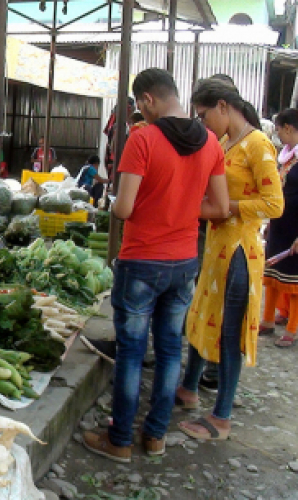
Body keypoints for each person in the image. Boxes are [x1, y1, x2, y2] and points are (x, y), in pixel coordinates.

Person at [81, 68, 230, 462]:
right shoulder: (212, 142)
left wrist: (123, 202)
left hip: (142, 260)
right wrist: (181, 208)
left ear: (147, 100)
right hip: (184, 262)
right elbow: (220, 207)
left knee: (131, 352)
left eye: (139, 106)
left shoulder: (143, 138)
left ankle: (120, 441)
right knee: (168, 350)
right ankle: (156, 435)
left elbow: (125, 208)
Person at [174, 79, 284, 443]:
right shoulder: (224, 143)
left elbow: (274, 204)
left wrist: (228, 208)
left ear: (223, 106)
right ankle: (189, 388)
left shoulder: (258, 145)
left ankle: (221, 416)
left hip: (240, 251)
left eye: (205, 115)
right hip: (216, 248)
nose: (203, 123)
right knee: (202, 317)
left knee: (230, 332)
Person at [261, 108, 298, 347]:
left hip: (295, 226)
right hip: (279, 223)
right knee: (273, 273)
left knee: (294, 281)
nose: (277, 136)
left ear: (289, 128)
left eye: (279, 130)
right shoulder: (284, 156)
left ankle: (292, 328)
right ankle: (269, 319)